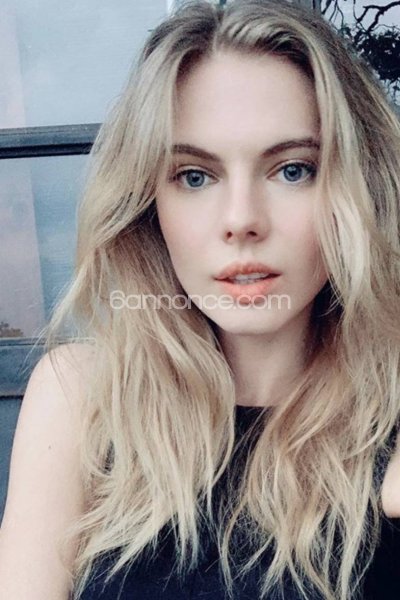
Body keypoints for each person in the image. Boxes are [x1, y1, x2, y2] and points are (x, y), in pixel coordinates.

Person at [1, 0, 400, 598]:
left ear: (359, 188)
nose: (241, 220)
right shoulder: (82, 397)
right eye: (195, 176)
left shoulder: (389, 413)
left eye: (293, 170)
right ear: (147, 204)